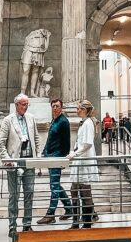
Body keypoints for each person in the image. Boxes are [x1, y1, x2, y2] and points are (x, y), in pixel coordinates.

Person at [0, 93, 40, 237]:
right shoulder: (7, 120)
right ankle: (12, 226)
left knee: (29, 194)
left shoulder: (31, 118)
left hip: (29, 161)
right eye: (23, 104)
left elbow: (36, 138)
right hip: (14, 163)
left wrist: (38, 156)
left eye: (27, 104)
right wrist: (7, 159)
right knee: (14, 196)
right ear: (16, 105)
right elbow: (1, 143)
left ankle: (27, 225)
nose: (25, 106)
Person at [37, 98, 73, 225]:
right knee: (55, 184)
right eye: (53, 106)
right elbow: (50, 139)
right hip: (50, 156)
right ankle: (69, 208)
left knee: (54, 186)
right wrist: (44, 151)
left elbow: (66, 142)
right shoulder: (54, 120)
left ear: (61, 107)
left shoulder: (64, 121)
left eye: (57, 106)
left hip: (57, 157)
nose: (55, 108)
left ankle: (50, 214)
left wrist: (62, 159)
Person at [68, 100, 99, 229]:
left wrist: (75, 154)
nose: (77, 111)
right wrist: (74, 151)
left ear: (85, 110)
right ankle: (77, 222)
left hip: (84, 161)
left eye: (79, 109)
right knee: (74, 190)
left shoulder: (88, 123)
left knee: (85, 192)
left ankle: (87, 223)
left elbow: (87, 144)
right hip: (80, 160)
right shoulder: (85, 123)